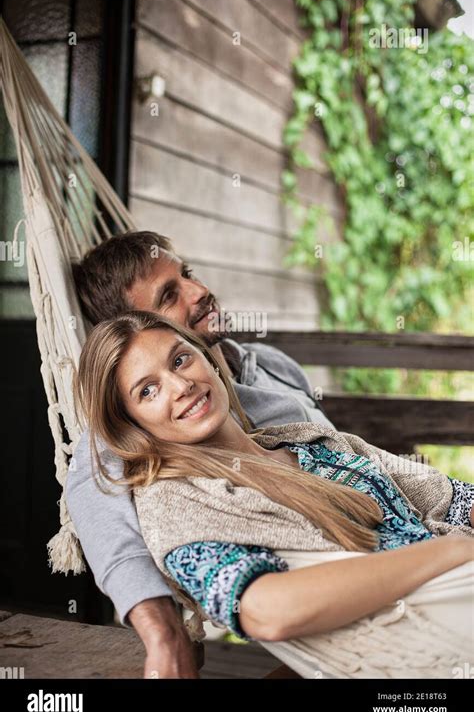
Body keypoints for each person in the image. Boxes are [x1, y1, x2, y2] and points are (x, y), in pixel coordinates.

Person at [74, 311, 474, 679]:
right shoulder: (180, 502)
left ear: (208, 359)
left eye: (180, 360)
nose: (181, 386)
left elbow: (451, 497)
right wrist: (449, 552)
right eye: (148, 391)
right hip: (426, 642)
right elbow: (267, 613)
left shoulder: (309, 440)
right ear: (131, 426)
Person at [67, 229, 334, 678]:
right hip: (308, 589)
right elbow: (94, 488)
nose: (200, 291)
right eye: (170, 294)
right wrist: (163, 632)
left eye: (187, 274)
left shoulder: (267, 365)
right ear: (139, 333)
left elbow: (350, 457)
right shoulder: (157, 414)